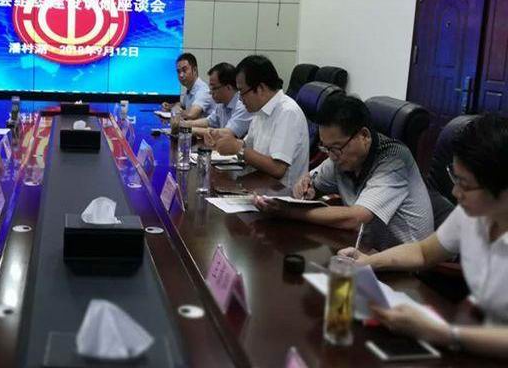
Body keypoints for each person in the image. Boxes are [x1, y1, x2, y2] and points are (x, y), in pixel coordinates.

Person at [338, 114, 508, 360]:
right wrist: (367, 262)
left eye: (465, 184)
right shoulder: (471, 215)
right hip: (477, 343)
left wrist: (445, 334)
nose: (454, 192)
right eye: (454, 177)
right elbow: (423, 252)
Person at [257, 95, 433, 250]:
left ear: (364, 135)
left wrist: (290, 212)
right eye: (326, 148)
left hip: (405, 262)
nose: (332, 157)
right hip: (363, 248)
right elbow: (312, 181)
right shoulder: (341, 156)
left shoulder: (395, 160)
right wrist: (306, 187)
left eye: (336, 148)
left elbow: (356, 218)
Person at [207, 55, 309, 188]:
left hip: (280, 193)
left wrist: (238, 148)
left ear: (260, 88)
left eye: (242, 92)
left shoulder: (288, 112)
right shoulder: (260, 110)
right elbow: (248, 145)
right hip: (257, 185)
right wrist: (224, 139)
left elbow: (278, 169)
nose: (240, 99)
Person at [175, 62, 252, 138]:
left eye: (214, 88)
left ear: (228, 87)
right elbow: (208, 121)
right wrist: (184, 124)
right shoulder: (222, 103)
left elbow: (226, 133)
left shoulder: (243, 106)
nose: (210, 92)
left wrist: (187, 130)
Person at [160, 52, 215, 120]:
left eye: (184, 70)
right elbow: (182, 105)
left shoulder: (203, 91)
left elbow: (191, 114)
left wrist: (174, 111)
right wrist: (170, 106)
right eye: (178, 71)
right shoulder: (190, 89)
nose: (181, 75)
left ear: (194, 70)